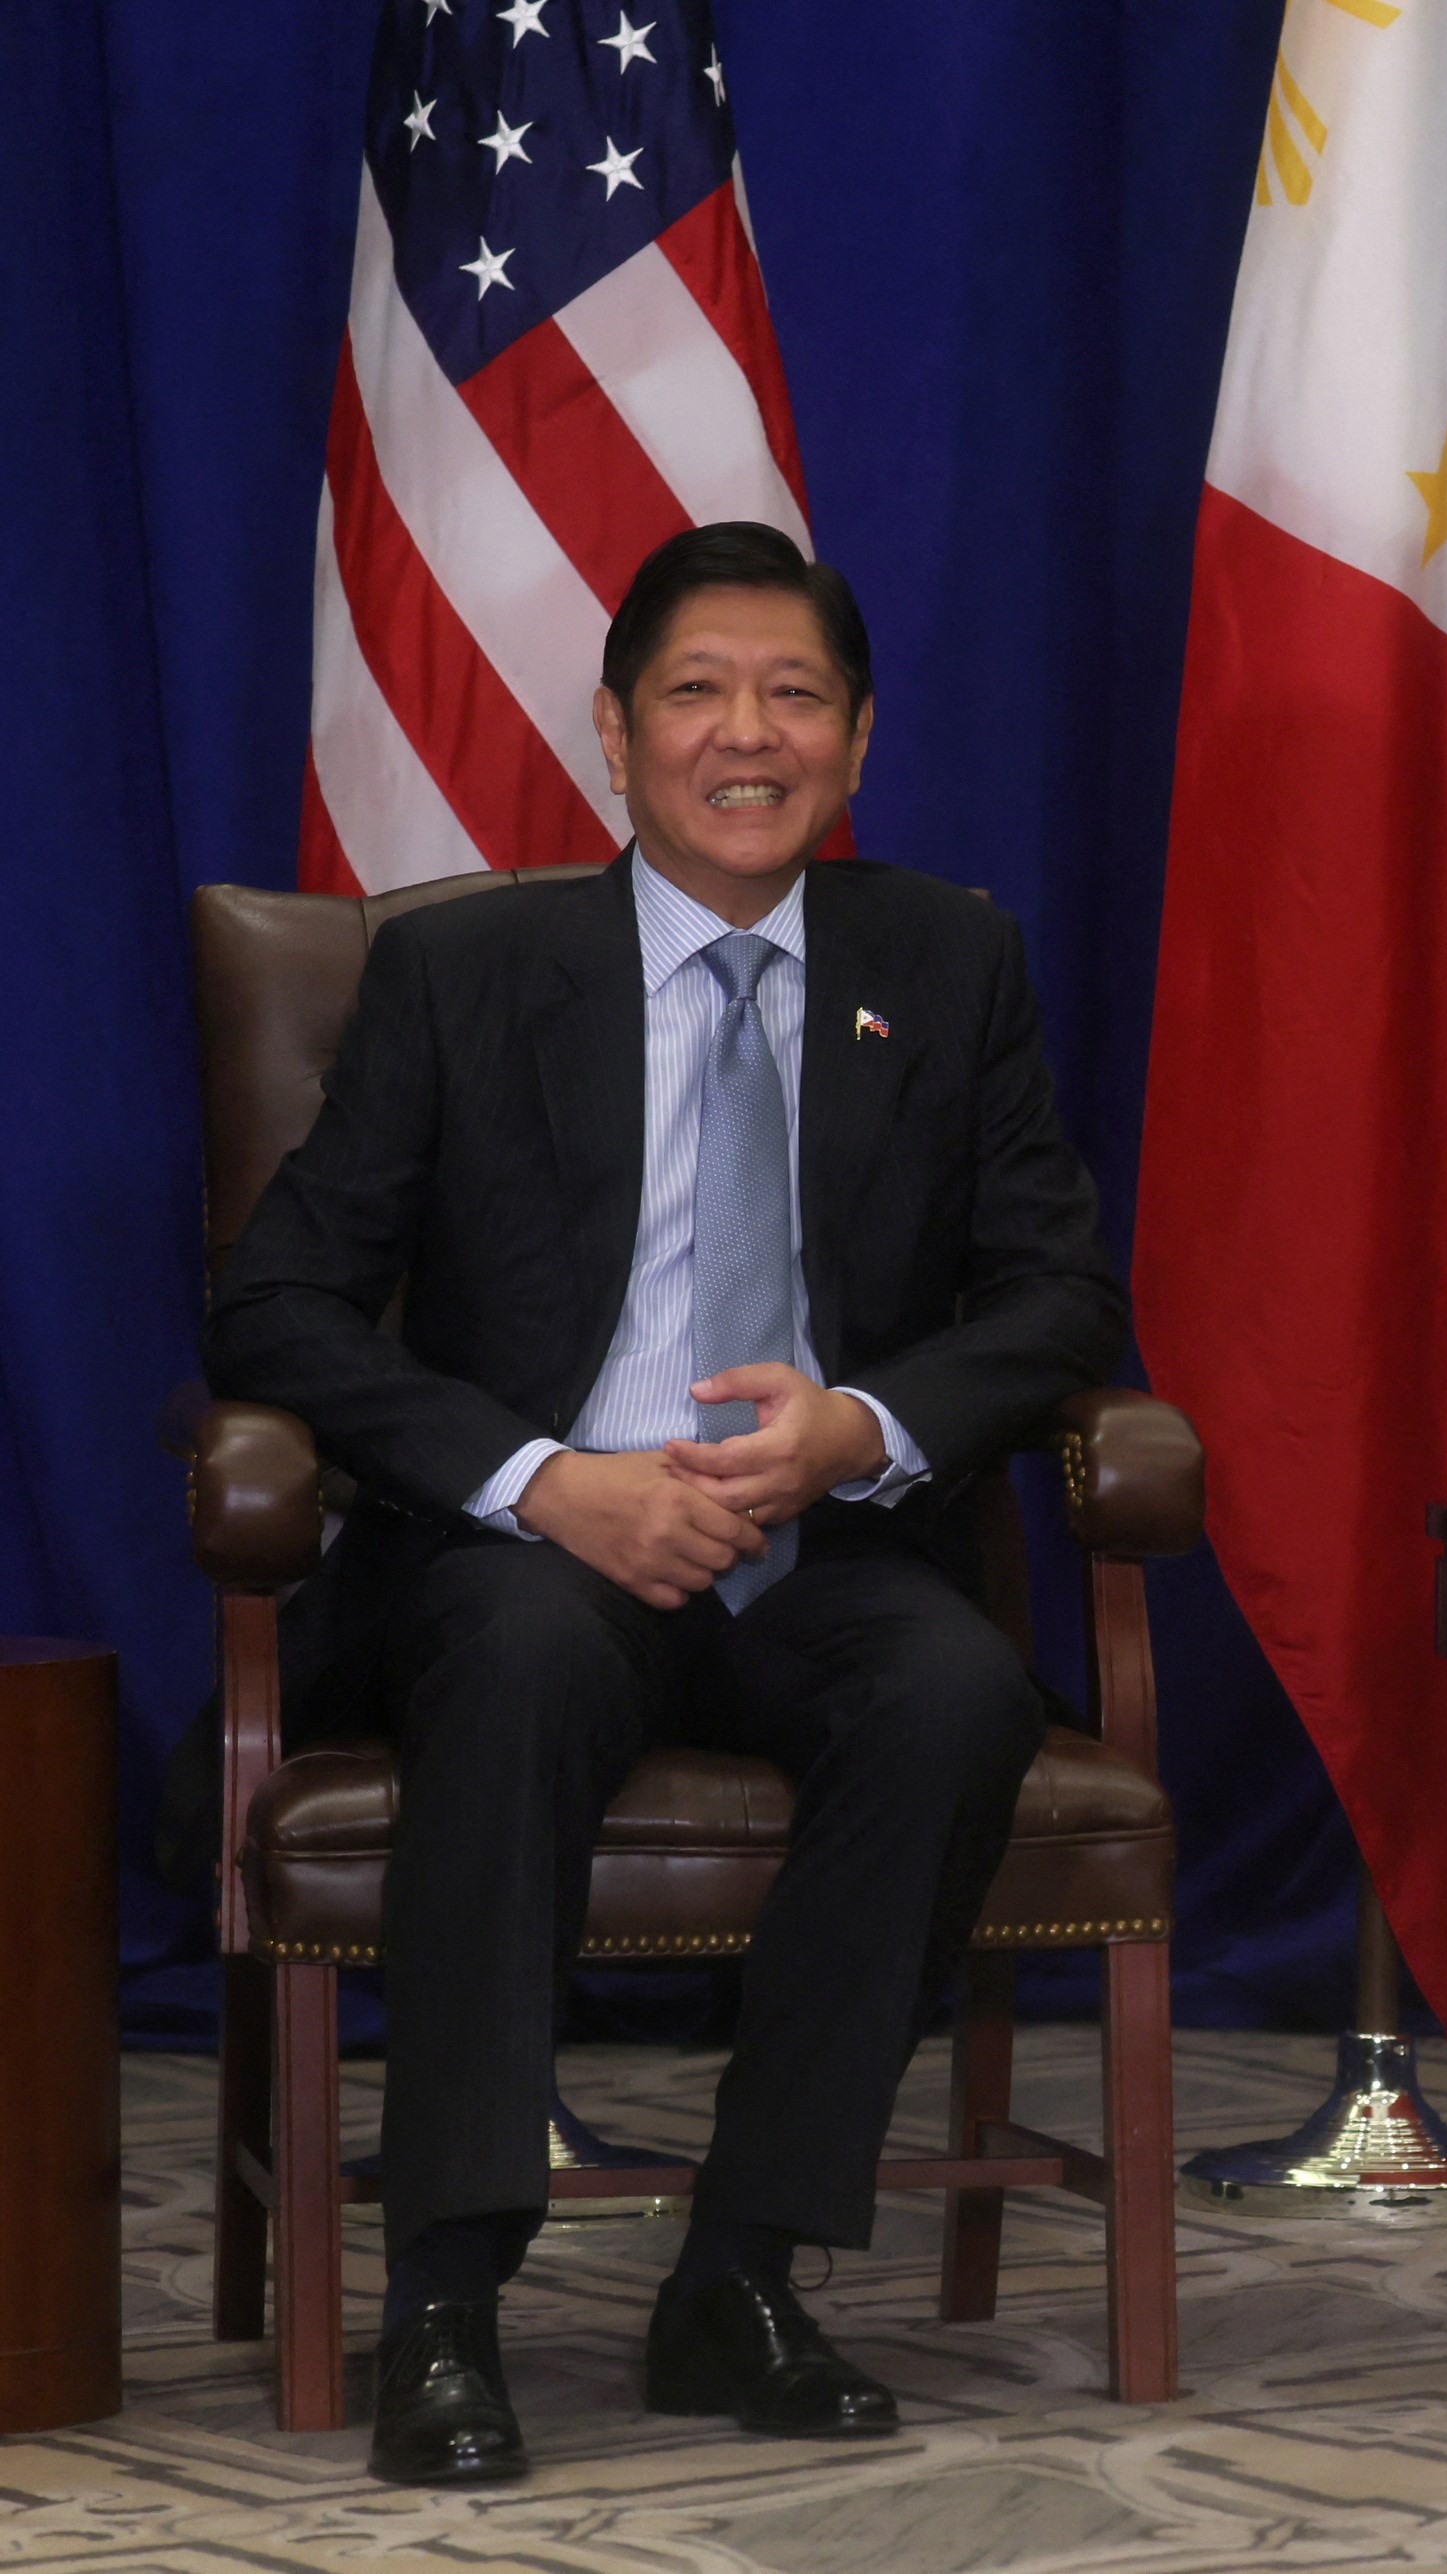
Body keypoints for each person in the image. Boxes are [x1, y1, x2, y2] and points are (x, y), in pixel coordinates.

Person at [206, 522, 1127, 2486]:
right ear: (613, 736)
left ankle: (743, 2274)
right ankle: (444, 2306)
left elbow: (1059, 1295)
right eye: (697, 692)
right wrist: (550, 1484)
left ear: (858, 742)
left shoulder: (946, 963)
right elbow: (273, 1297)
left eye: (795, 696)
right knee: (526, 1659)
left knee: (956, 1692)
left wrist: (857, 1426)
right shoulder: (460, 971)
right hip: (531, 1555)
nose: (747, 734)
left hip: (821, 1553)